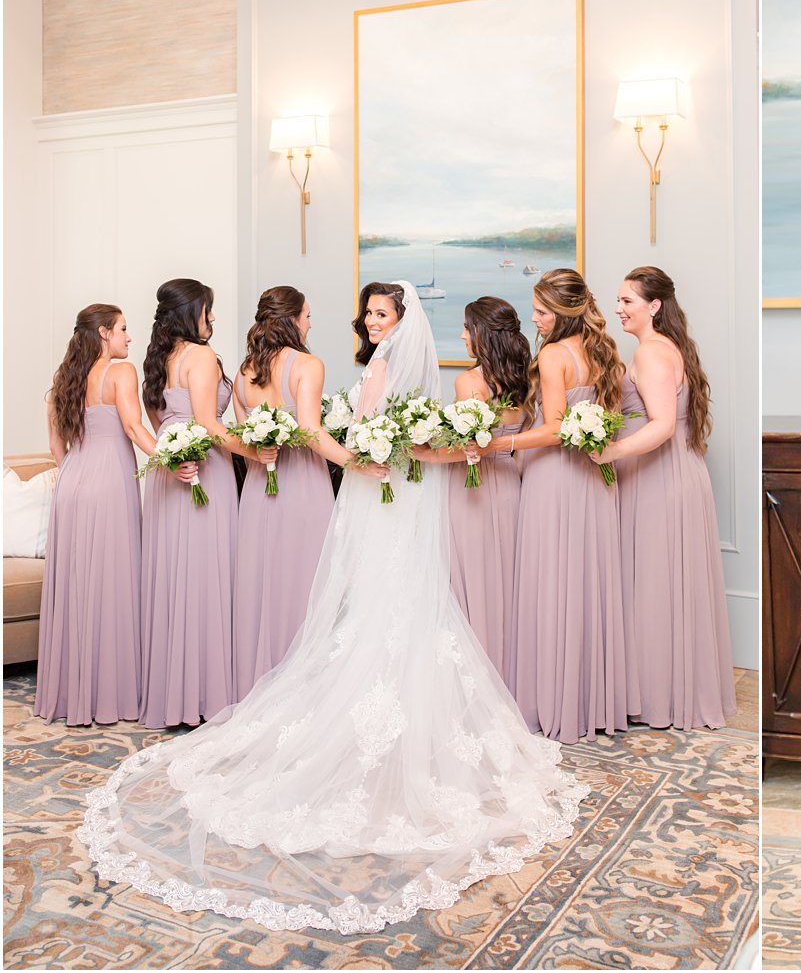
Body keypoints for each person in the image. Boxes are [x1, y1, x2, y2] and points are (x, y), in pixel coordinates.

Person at [79, 281, 588, 933]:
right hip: (379, 484)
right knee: (371, 606)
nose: (371, 321)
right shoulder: (364, 365)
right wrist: (365, 454)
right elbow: (358, 429)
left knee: (396, 605)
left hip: (387, 487)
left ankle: (402, 723)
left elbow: (383, 429)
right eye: (368, 312)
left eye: (382, 313)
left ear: (402, 320)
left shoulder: (379, 366)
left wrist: (375, 452)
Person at [592, 266, 735, 729]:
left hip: (658, 477)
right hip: (676, 474)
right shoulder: (668, 347)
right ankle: (667, 690)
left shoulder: (652, 352)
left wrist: (608, 453)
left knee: (652, 582)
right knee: (663, 582)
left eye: (627, 302)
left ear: (654, 306)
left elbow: (661, 425)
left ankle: (656, 696)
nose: (618, 309)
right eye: (618, 301)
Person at [139, 278, 270, 729]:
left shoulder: (158, 360)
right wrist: (258, 453)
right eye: (207, 310)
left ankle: (173, 693)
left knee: (175, 578)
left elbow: (161, 425)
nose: (212, 318)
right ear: (190, 311)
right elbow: (210, 425)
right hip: (203, 476)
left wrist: (172, 458)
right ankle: (204, 696)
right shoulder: (199, 357)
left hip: (169, 474)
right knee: (206, 576)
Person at [508, 269, 630, 742]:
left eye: (541, 312)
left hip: (554, 478)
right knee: (586, 581)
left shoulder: (555, 354)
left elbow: (556, 428)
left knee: (551, 581)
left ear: (560, 314)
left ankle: (552, 700)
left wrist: (506, 443)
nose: (534, 320)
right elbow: (610, 421)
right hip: (596, 480)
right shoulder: (605, 352)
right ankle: (589, 700)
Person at [35, 305, 158, 725]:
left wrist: (75, 470)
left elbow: (57, 450)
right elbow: (134, 429)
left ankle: (73, 693)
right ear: (104, 333)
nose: (129, 337)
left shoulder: (64, 379)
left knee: (76, 585)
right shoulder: (120, 374)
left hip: (71, 483)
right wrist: (174, 457)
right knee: (112, 582)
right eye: (124, 329)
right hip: (110, 484)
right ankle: (110, 693)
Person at [229, 286, 348, 702]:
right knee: (307, 584)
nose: (311, 323)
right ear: (293, 319)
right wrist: (355, 462)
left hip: (259, 489)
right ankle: (304, 696)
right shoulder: (308, 365)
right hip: (303, 486)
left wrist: (260, 453)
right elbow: (312, 431)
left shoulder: (244, 372)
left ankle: (258, 692)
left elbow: (241, 439)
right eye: (308, 315)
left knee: (262, 583)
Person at [412, 296, 532, 682]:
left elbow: (470, 448)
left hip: (473, 490)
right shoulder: (524, 378)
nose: (462, 335)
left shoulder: (470, 381)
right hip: (511, 484)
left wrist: (425, 453)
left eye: (467, 328)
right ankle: (511, 675)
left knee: (472, 585)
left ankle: (478, 679)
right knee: (506, 581)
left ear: (481, 334)